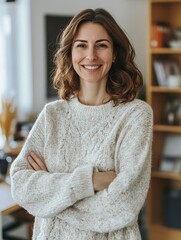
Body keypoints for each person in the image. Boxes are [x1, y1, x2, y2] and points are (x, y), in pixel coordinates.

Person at [10, 8, 153, 240]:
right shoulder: (52, 115)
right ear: (70, 53)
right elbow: (21, 186)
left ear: (115, 53)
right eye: (82, 45)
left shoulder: (135, 115)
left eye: (102, 45)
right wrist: (91, 181)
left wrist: (50, 199)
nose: (91, 55)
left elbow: (122, 207)